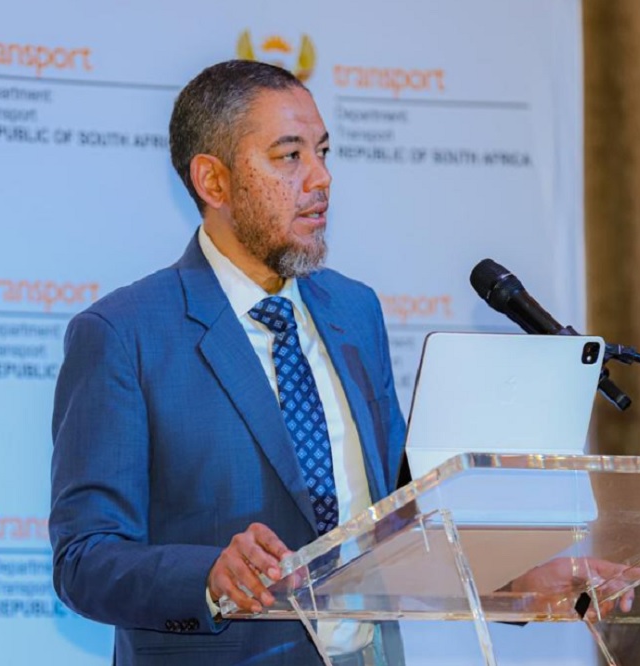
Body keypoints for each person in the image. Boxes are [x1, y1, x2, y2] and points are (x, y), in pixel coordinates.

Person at [49, 59, 406, 665]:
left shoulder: (355, 310)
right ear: (213, 182)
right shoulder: (124, 334)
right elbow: (84, 559)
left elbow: (400, 509)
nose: (321, 178)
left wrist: (512, 572)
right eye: (289, 156)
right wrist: (208, 577)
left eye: (322, 152)